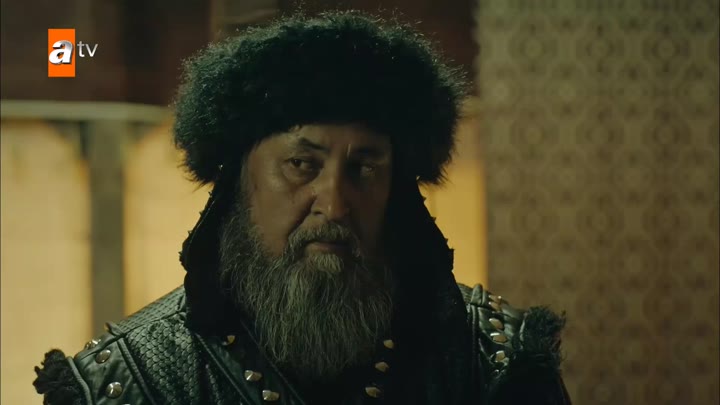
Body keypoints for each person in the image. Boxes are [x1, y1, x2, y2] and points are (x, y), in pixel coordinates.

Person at [34, 11, 572, 405]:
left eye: (364, 168)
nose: (334, 205)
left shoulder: (495, 367)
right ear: (240, 181)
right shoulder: (133, 383)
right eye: (301, 165)